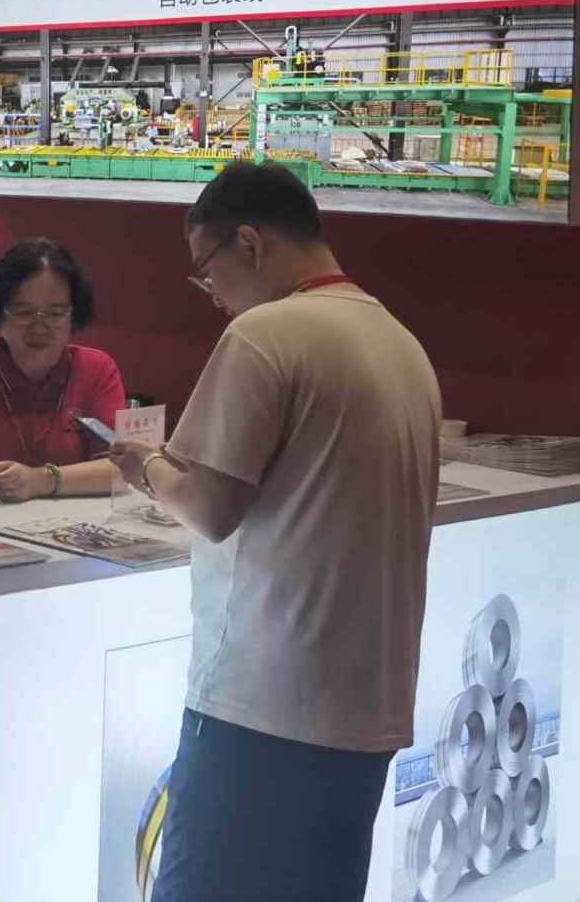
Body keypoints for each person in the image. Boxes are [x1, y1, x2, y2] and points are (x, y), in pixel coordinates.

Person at [109, 162, 439, 902]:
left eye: (206, 271)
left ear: (250, 244)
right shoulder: (399, 340)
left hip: (263, 707)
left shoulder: (266, 335)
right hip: (366, 713)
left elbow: (210, 508)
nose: (212, 295)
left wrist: (147, 469)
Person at [0, 238, 125, 504]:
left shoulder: (96, 370)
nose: (39, 326)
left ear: (74, 315)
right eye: (24, 312)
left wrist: (39, 480)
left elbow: (121, 467)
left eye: (56, 313)